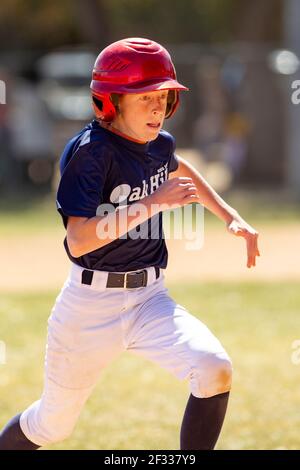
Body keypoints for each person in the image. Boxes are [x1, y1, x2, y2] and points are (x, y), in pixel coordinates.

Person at [0, 37, 260, 450]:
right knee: (52, 427)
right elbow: (80, 239)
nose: (158, 107)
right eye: (145, 98)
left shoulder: (158, 144)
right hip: (88, 309)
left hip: (149, 299)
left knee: (214, 368)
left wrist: (232, 217)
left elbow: (180, 167)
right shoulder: (90, 153)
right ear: (111, 102)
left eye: (164, 96)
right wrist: (152, 202)